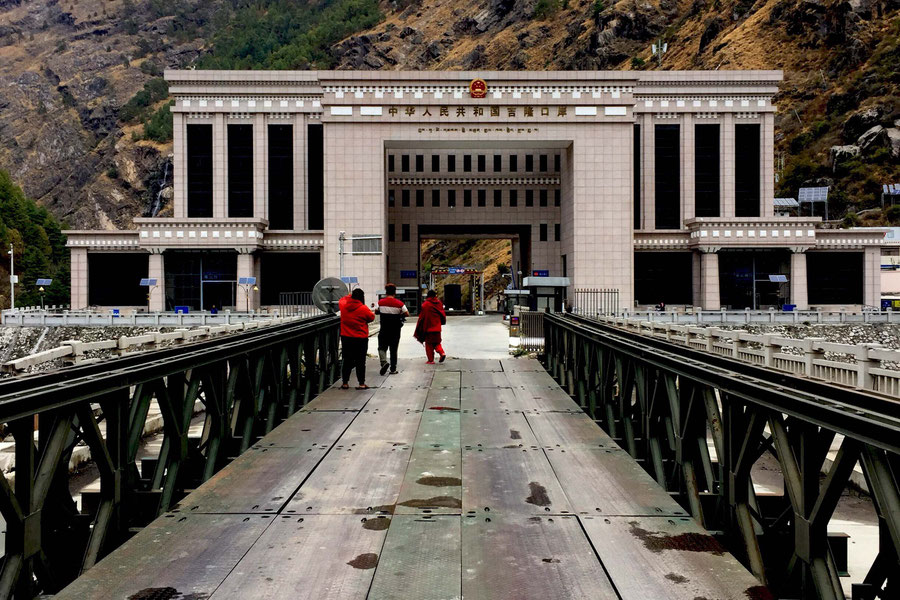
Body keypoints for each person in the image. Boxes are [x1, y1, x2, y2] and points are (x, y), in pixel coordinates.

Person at [338, 288, 375, 389]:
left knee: (347, 360)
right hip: (360, 339)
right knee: (360, 361)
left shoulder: (344, 306)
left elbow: (342, 299)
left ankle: (345, 383)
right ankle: (361, 383)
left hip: (346, 338)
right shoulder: (363, 308)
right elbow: (371, 317)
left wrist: (350, 295)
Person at [376, 283, 409, 375]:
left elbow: (376, 311)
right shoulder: (399, 304)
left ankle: (383, 362)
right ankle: (393, 369)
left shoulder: (381, 303)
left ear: (386, 292)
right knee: (393, 350)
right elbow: (407, 313)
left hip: (384, 329)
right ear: (395, 292)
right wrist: (398, 315)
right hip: (395, 330)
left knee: (382, 347)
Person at [414, 289, 447, 364]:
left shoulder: (426, 304)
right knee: (437, 342)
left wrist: (419, 327)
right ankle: (442, 353)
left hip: (428, 328)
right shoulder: (439, 303)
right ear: (435, 295)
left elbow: (422, 317)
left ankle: (430, 360)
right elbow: (442, 314)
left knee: (429, 344)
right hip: (437, 327)